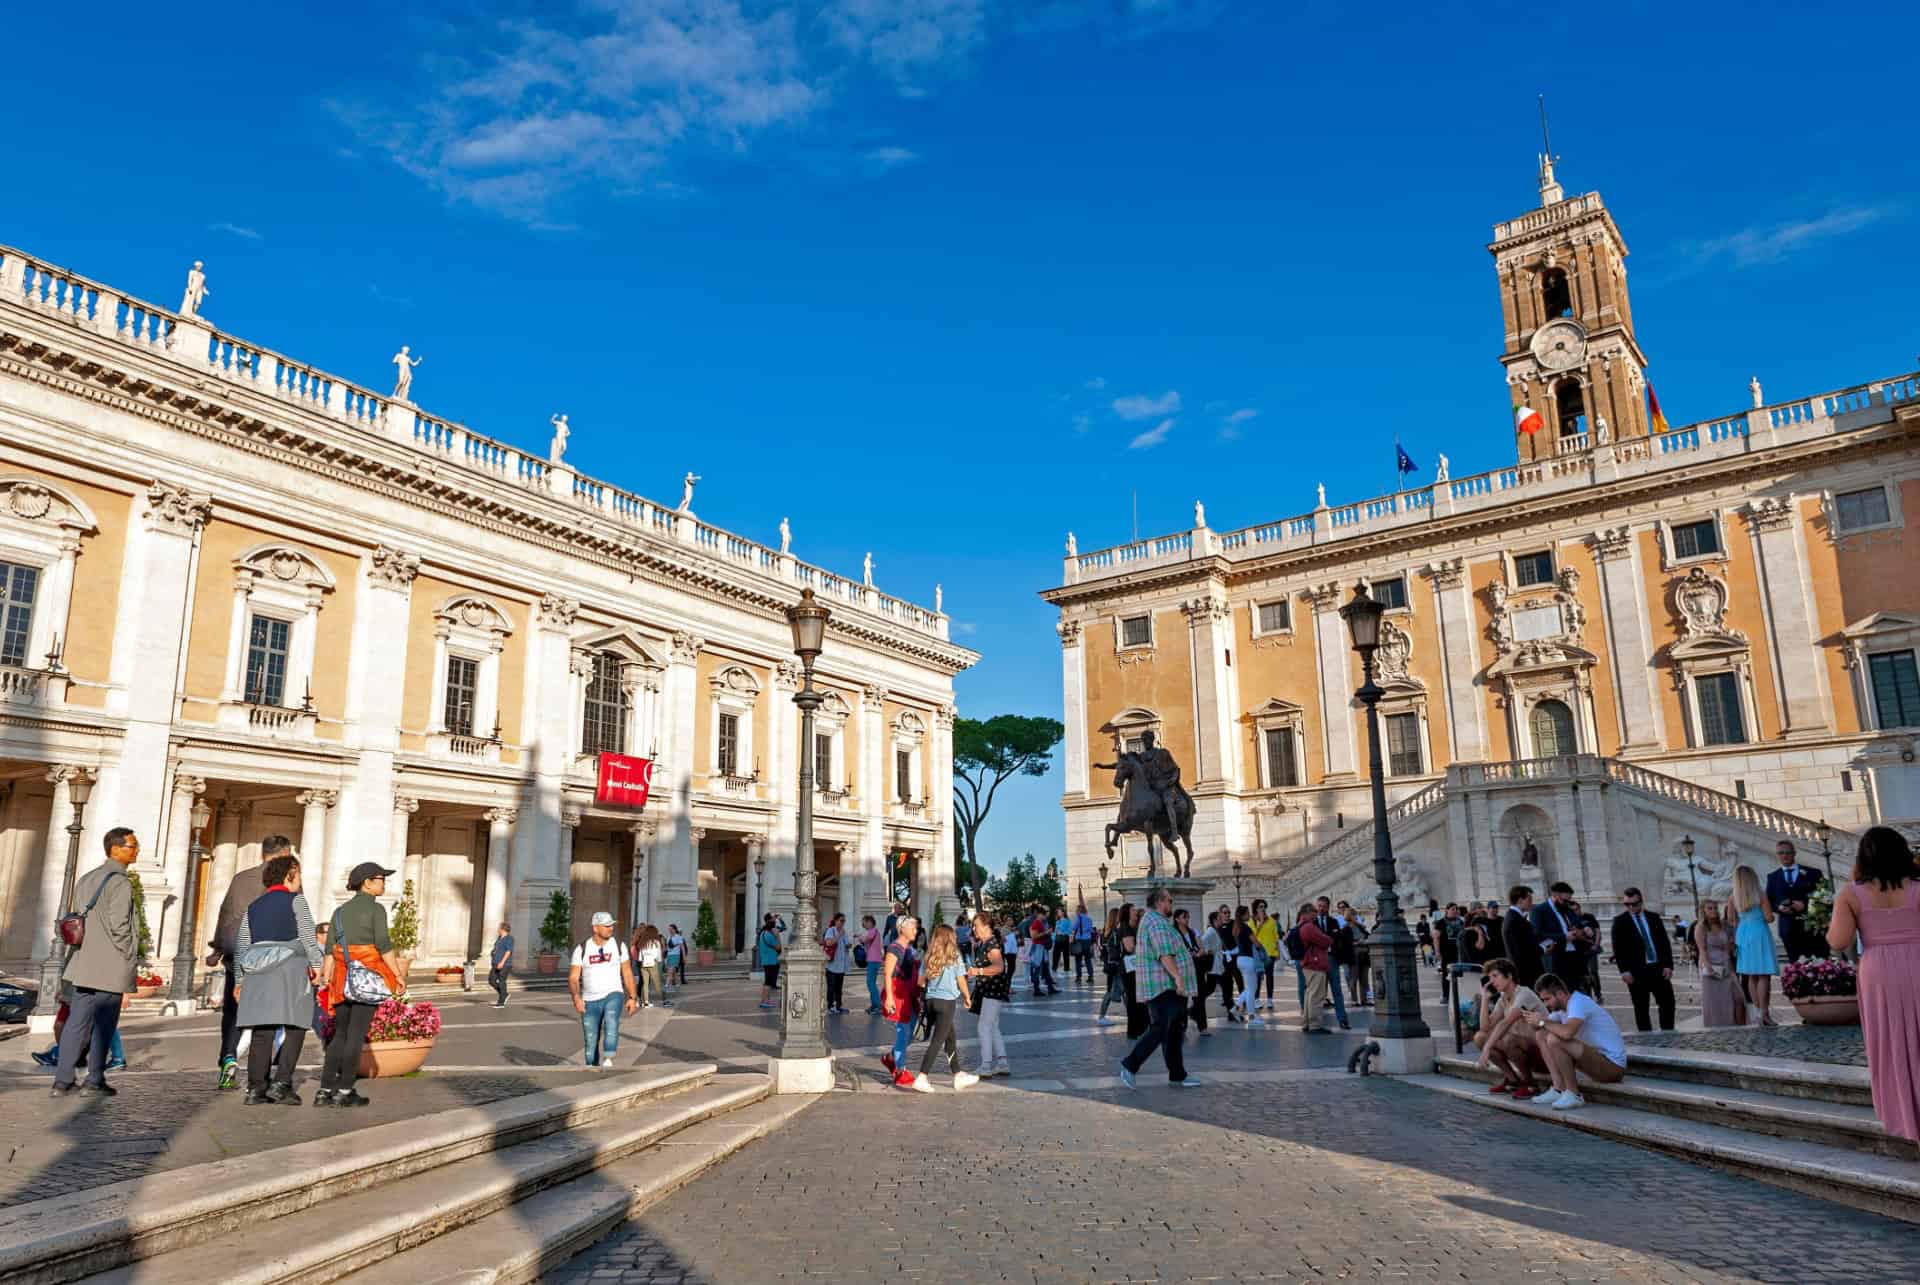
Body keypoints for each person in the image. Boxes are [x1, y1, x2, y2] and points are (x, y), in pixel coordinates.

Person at [1827, 826, 1920, 1144]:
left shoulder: (1852, 893)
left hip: (1878, 969)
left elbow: (1838, 940)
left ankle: (1908, 1118)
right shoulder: (1917, 887)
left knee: (1892, 1042)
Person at [51, 826, 140, 1099]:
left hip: (82, 964)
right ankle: (94, 1080)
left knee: (76, 1023)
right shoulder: (120, 882)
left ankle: (63, 1081)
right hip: (109, 967)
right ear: (115, 849)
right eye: (132, 846)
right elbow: (120, 927)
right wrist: (128, 959)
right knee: (103, 1025)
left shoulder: (87, 878)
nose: (137, 850)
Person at [233, 851, 322, 1105]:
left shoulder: (254, 906)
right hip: (290, 970)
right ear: (290, 873)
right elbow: (307, 935)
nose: (300, 880)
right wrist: (316, 965)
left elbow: (242, 944)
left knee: (262, 1031)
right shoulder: (297, 901)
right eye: (299, 874)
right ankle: (282, 1084)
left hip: (258, 973)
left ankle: (255, 1089)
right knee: (295, 1027)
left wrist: (239, 979)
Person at [318, 862, 403, 1107]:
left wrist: (326, 975)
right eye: (381, 878)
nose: (384, 882)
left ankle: (324, 1090)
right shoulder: (376, 910)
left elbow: (330, 949)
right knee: (356, 1034)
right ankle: (345, 1090)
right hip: (368, 979)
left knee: (340, 1034)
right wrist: (397, 975)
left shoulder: (339, 912)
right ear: (367, 882)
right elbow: (384, 946)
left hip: (341, 979)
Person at [209, 838, 278, 1090]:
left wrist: (218, 947)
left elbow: (224, 913)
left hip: (236, 954)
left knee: (232, 1013)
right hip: (267, 958)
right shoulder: (283, 882)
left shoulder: (241, 878)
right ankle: (259, 1078)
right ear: (284, 854)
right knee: (264, 1018)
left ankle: (228, 1056)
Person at [1118, 888, 1200, 1088]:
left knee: (1173, 1032)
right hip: (1164, 986)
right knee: (1160, 1028)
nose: (1172, 904)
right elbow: (1164, 954)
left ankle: (1177, 1074)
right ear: (1160, 901)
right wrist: (1178, 979)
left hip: (1166, 986)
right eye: (1170, 900)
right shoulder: (1156, 922)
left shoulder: (1157, 921)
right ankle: (1130, 1065)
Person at [1526, 972, 1628, 1110]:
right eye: (1543, 1000)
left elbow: (1567, 1033)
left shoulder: (1578, 1002)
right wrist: (1534, 1020)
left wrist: (1542, 1022)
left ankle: (1574, 1095)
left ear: (1560, 993)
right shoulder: (1561, 1010)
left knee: (1555, 1039)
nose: (1546, 1004)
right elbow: (1540, 1027)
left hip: (1612, 1067)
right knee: (1542, 1035)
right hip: (1595, 1061)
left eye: (1547, 999)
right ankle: (1558, 1089)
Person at [910, 924, 977, 1093]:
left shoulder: (929, 956)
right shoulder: (954, 955)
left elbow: (920, 982)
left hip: (931, 1002)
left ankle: (958, 1075)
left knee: (950, 1038)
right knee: (937, 1041)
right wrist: (967, 997)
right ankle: (922, 1076)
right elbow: (961, 979)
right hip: (947, 1003)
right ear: (950, 937)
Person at [1472, 958, 1547, 1099]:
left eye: (1495, 976)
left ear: (1509, 976)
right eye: (1489, 978)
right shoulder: (1503, 999)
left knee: (1509, 1039)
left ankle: (1531, 1085)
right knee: (1480, 1037)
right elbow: (1485, 1027)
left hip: (1544, 1055)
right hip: (1525, 1053)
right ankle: (1512, 1080)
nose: (1492, 981)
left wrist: (1487, 1049)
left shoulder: (1524, 994)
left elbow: (1505, 1022)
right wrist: (1485, 999)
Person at [570, 911, 637, 1067]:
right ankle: (592, 1068)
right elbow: (573, 977)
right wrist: (576, 997)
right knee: (590, 1041)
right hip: (589, 999)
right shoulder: (582, 948)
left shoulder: (619, 945)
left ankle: (609, 1056)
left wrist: (633, 997)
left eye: (611, 925)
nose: (610, 928)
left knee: (611, 1020)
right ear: (595, 928)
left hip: (613, 993)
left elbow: (627, 972)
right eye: (606, 926)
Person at [1610, 887, 1676, 1031]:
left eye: (1635, 904)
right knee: (1641, 1007)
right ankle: (1646, 1036)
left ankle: (1668, 1031)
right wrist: (1624, 971)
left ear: (1641, 901)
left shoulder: (1654, 918)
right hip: (1636, 972)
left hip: (1658, 968)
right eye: (1627, 904)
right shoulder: (1620, 921)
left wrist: (1668, 965)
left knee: (1668, 1002)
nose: (1631, 907)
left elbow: (1664, 943)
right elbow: (1618, 949)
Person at [1729, 864, 1778, 1025]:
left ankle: (1757, 1012)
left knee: (1751, 975)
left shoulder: (1733, 897)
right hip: (1759, 932)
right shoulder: (1760, 895)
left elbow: (1731, 920)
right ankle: (1764, 1012)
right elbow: (1769, 917)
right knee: (1763, 974)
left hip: (1743, 933)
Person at [965, 913, 1011, 1077]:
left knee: (984, 1027)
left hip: (993, 990)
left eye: (976, 925)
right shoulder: (986, 943)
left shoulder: (991, 944)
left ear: (986, 927)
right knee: (993, 1027)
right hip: (990, 990)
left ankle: (986, 1066)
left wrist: (978, 971)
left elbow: (999, 967)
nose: (974, 928)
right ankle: (1002, 1063)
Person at [1768, 839, 1828, 961]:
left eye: (1787, 852)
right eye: (1781, 853)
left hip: (1812, 930)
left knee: (1819, 966)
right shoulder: (1773, 877)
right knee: (1796, 968)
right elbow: (1770, 902)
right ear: (1777, 855)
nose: (1784, 855)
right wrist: (1779, 908)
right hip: (1788, 931)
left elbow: (1824, 897)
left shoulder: (1813, 873)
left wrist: (1805, 905)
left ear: (1794, 853)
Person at [879, 915, 920, 1089]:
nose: (916, 931)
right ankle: (900, 1071)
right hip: (898, 991)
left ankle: (890, 1058)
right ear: (902, 929)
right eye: (913, 928)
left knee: (910, 1031)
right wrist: (889, 997)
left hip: (909, 992)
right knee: (903, 1032)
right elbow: (887, 973)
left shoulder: (909, 948)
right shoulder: (894, 948)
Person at [1693, 899, 1747, 1028]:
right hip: (1712, 967)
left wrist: (1732, 944)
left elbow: (1732, 943)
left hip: (1727, 965)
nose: (1713, 911)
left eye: (1715, 908)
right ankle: (1719, 1030)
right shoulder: (1701, 927)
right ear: (1703, 911)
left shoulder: (1724, 925)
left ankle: (1741, 1029)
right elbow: (1702, 949)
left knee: (1739, 998)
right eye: (1709, 908)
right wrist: (1707, 965)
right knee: (1715, 1002)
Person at [1531, 882, 1587, 986]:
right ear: (1555, 895)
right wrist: (1564, 937)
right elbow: (1537, 933)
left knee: (1577, 987)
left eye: (1569, 900)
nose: (1567, 903)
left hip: (1574, 955)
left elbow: (1579, 925)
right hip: (1556, 955)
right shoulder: (1539, 910)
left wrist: (1583, 930)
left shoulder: (1567, 909)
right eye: (1565, 900)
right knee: (1558, 988)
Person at [1293, 904, 1334, 1035]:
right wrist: (1328, 938)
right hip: (1315, 963)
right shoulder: (1309, 927)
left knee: (1309, 994)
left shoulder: (1300, 926)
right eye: (1314, 912)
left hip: (1308, 963)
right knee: (1316, 995)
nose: (1316, 914)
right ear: (1306, 912)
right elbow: (1325, 941)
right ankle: (1315, 1025)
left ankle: (1307, 1023)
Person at [1313, 898, 1352, 1030]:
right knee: (1318, 992)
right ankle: (1316, 1021)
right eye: (1319, 906)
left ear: (1328, 907)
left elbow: (1338, 939)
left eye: (1324, 906)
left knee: (1337, 990)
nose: (1321, 909)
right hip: (1317, 960)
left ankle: (1342, 1019)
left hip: (1331, 958)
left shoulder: (1333, 922)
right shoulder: (1312, 923)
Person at [1174, 908, 1209, 1036]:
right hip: (1182, 968)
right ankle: (1181, 1026)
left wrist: (1199, 952)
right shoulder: (1174, 933)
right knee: (1182, 999)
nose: (1187, 919)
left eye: (1188, 917)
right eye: (1184, 917)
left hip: (1197, 966)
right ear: (1177, 919)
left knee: (1199, 997)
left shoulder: (1193, 932)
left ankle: (1202, 1026)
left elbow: (1201, 948)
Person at [1502, 885, 1543, 987]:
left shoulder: (1517, 917)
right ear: (1520, 900)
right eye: (1529, 900)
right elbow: (1520, 950)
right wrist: (1543, 949)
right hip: (1525, 972)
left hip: (1528, 970)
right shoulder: (1513, 920)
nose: (1531, 903)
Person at [1097, 906, 1130, 1024]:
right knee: (1122, 991)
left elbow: (1102, 952)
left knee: (1119, 991)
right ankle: (1101, 1017)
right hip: (1117, 966)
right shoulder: (1115, 933)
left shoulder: (1104, 933)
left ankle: (1102, 1016)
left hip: (1110, 966)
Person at [1121, 903, 1149, 1039]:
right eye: (1133, 910)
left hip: (1136, 966)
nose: (1136, 912)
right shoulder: (1125, 927)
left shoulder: (1135, 926)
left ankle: (1142, 1027)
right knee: (1133, 998)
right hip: (1128, 968)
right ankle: (1133, 1031)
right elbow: (1130, 948)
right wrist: (1144, 945)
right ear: (1127, 913)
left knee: (1139, 997)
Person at [1231, 907, 1262, 1025]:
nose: (1249, 914)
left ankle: (1235, 1009)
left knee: (1249, 988)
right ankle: (1252, 1017)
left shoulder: (1237, 928)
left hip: (1240, 959)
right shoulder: (1246, 928)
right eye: (1248, 913)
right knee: (1251, 990)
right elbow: (1257, 943)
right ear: (1243, 915)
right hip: (1248, 960)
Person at [1251, 899, 1280, 1010]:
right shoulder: (1252, 921)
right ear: (1255, 908)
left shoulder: (1272, 921)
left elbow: (1276, 937)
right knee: (1258, 977)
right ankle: (1257, 999)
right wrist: (1261, 923)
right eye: (1260, 907)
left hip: (1270, 953)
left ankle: (1270, 999)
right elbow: (1253, 935)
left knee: (1270, 976)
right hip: (1258, 953)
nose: (1262, 909)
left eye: (1264, 906)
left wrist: (1277, 952)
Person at [633, 924, 668, 1008]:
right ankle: (663, 1000)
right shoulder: (656, 942)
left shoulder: (643, 941)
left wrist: (642, 960)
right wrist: (659, 961)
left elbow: (640, 955)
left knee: (645, 983)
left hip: (644, 963)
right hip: (653, 963)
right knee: (657, 983)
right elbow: (658, 955)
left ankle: (646, 1002)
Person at [822, 912, 850, 1014]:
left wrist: (848, 945)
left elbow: (846, 944)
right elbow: (829, 943)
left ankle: (838, 1006)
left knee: (839, 987)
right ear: (835, 921)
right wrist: (838, 935)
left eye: (844, 921)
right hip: (832, 965)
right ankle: (830, 1006)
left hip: (841, 965)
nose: (843, 923)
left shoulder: (843, 931)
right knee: (831, 987)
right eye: (841, 921)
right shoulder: (831, 930)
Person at [857, 914, 883, 1014]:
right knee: (871, 983)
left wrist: (860, 937)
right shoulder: (871, 931)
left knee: (871, 983)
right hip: (873, 959)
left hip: (874, 960)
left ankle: (878, 1006)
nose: (862, 924)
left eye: (864, 922)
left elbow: (865, 939)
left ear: (869, 922)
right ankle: (874, 1005)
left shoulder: (873, 931)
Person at [757, 913, 783, 1010]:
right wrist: (777, 936)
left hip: (767, 961)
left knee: (767, 982)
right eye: (773, 920)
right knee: (768, 983)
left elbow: (783, 927)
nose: (774, 922)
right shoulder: (769, 935)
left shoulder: (764, 933)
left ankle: (767, 1000)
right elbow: (778, 947)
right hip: (771, 961)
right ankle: (764, 1001)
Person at [489, 920, 514, 1009]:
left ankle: (501, 1003)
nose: (498, 929)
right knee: (491, 980)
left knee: (502, 981)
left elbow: (508, 951)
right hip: (495, 963)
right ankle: (504, 994)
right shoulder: (499, 938)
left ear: (503, 929)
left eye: (499, 928)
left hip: (505, 964)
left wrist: (502, 962)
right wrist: (493, 952)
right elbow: (497, 948)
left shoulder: (509, 938)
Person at [1071, 902, 1097, 983]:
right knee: (1088, 959)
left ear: (1079, 911)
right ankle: (1091, 976)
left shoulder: (1078, 918)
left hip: (1079, 940)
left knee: (1078, 960)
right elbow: (1091, 930)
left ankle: (1078, 977)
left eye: (1076, 910)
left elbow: (1073, 927)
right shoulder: (1089, 919)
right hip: (1087, 940)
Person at [1051, 909, 1072, 975]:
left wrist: (1062, 932)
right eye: (1058, 912)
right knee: (1055, 954)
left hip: (1064, 938)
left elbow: (1069, 930)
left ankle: (1066, 968)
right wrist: (1053, 938)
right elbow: (1055, 931)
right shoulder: (1057, 921)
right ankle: (1054, 968)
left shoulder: (1067, 921)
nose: (1058, 913)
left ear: (1063, 912)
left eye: (1059, 912)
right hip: (1057, 939)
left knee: (1066, 954)